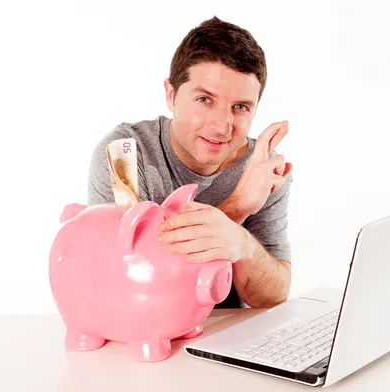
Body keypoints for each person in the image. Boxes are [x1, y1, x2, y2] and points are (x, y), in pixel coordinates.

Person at [87, 16, 293, 309]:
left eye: (240, 107)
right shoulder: (125, 154)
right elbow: (130, 279)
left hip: (227, 339)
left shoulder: (262, 169)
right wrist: (236, 208)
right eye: (204, 100)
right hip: (150, 339)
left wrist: (245, 246)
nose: (222, 126)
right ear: (171, 95)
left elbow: (271, 296)